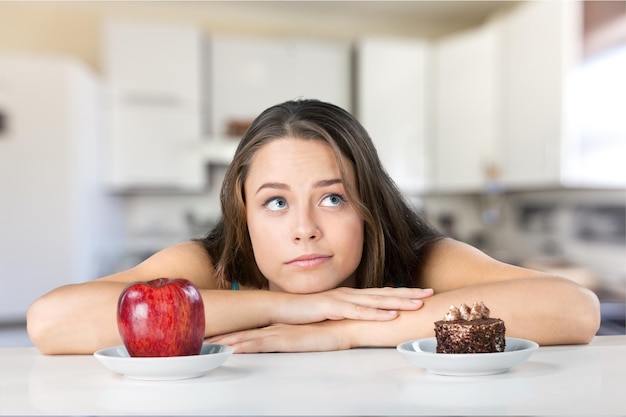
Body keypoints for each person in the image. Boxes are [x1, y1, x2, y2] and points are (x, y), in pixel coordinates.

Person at [27, 99, 600, 355]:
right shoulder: (214, 266)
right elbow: (52, 323)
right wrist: (280, 307)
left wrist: (344, 328)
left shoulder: (417, 259)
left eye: (332, 198)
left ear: (369, 204)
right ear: (243, 215)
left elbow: (573, 310)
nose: (304, 229)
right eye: (275, 203)